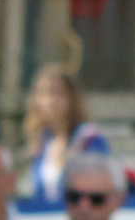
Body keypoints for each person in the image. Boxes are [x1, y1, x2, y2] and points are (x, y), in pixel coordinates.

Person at [21, 67, 114, 208]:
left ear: (72, 98)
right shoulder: (41, 143)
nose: (50, 101)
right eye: (43, 94)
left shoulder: (88, 139)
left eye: (57, 93)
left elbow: (101, 190)